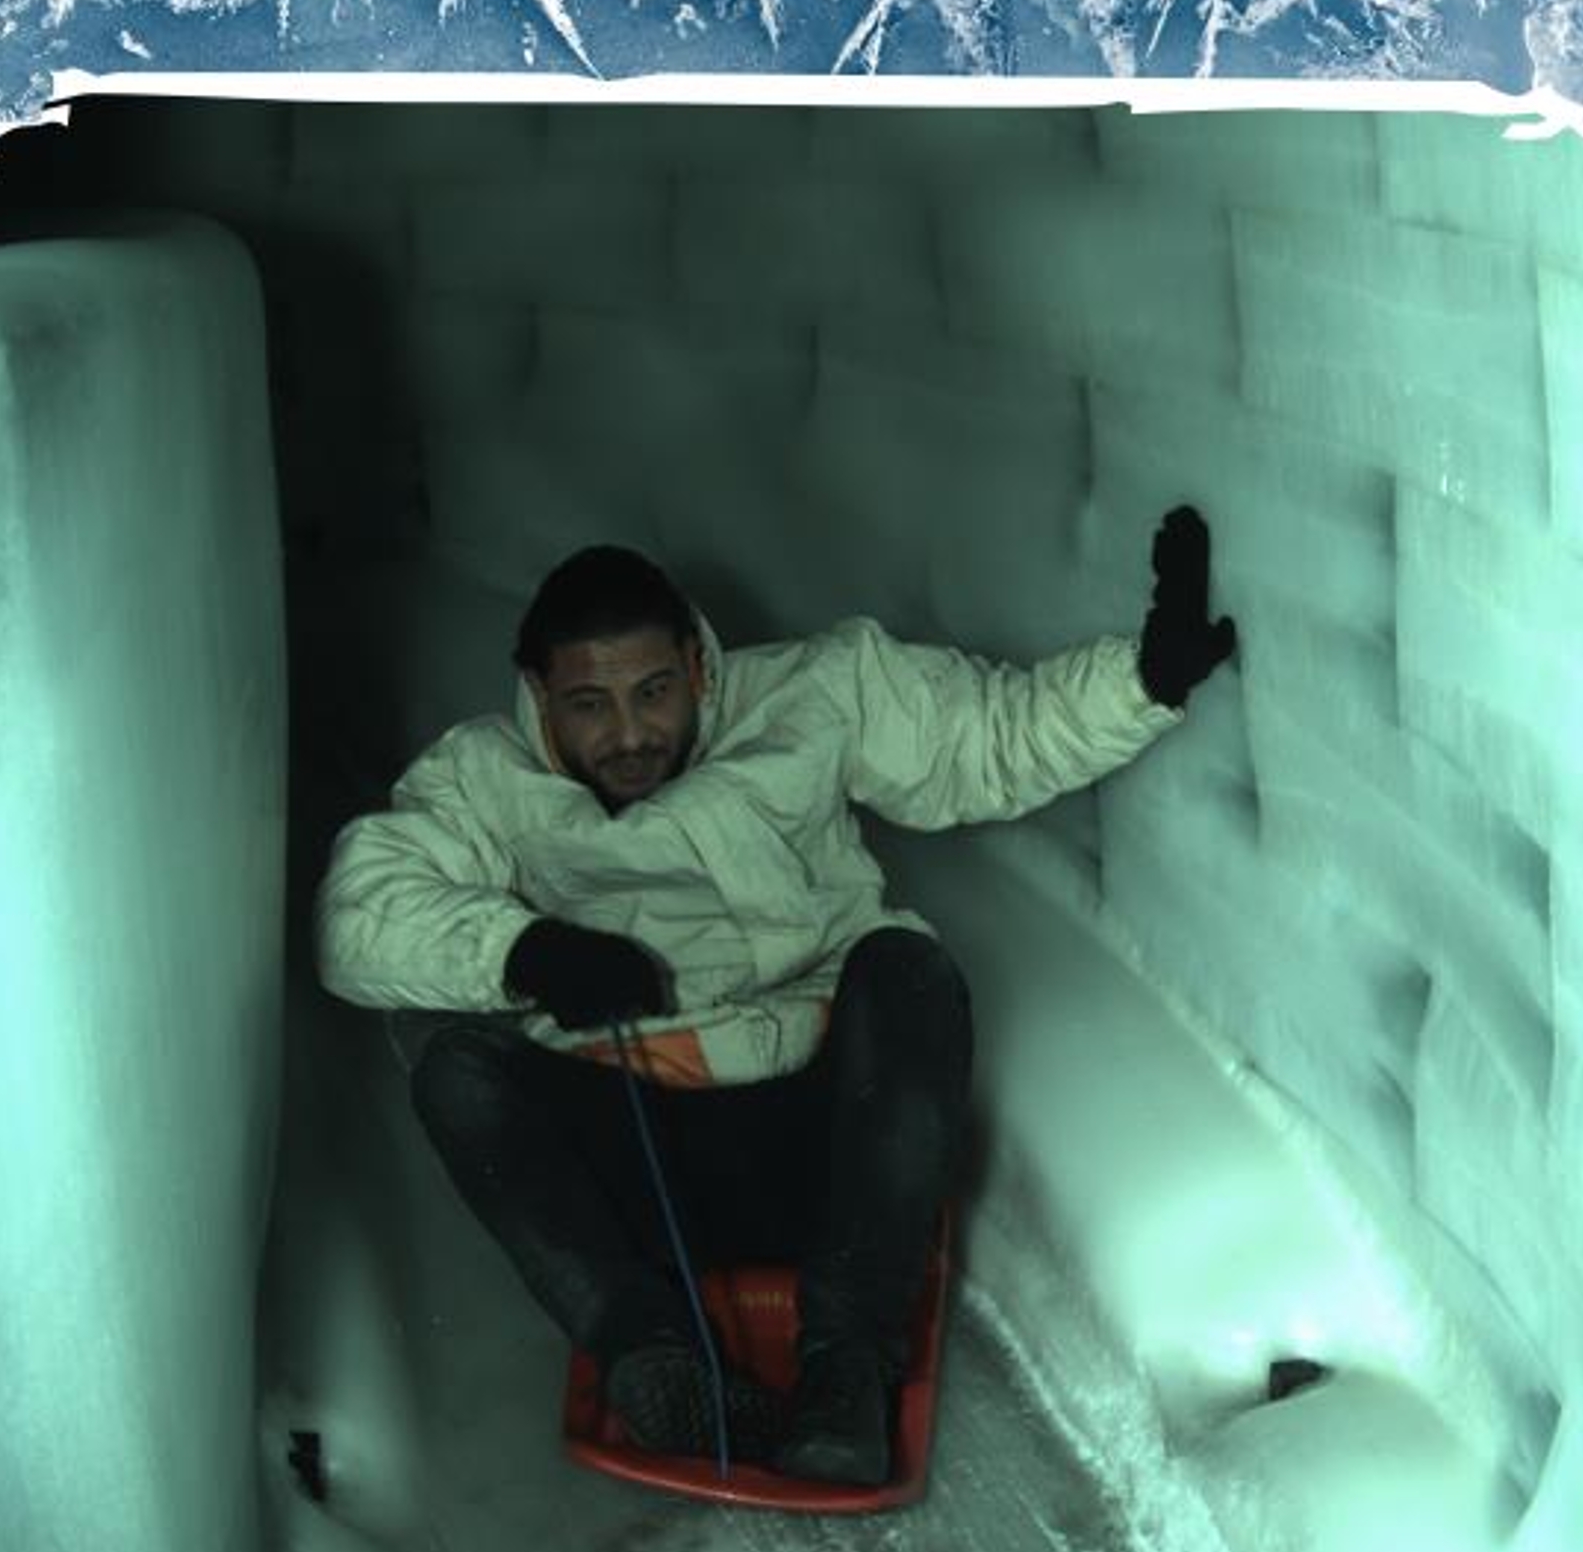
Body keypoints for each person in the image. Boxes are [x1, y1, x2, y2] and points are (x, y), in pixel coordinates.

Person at [315, 511, 1235, 1486]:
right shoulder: (482, 778)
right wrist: (525, 950)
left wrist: (1146, 679)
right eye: (588, 704)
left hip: (819, 1147)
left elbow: (987, 739)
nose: (627, 734)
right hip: (635, 1165)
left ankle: (845, 1376)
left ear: (699, 668)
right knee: (455, 1069)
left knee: (907, 969)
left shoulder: (813, 695)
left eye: (653, 692)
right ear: (539, 694)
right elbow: (357, 915)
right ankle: (652, 1359)